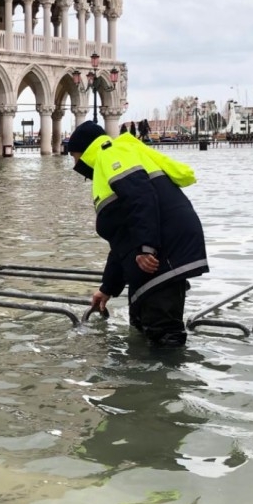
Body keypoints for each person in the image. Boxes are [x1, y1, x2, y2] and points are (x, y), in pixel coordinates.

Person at [67, 121, 209, 348]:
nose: (75, 164)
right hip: (157, 252)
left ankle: (166, 379)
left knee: (163, 334)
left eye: (74, 157)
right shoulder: (111, 161)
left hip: (162, 253)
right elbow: (122, 240)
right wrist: (107, 289)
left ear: (83, 151)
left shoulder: (110, 155)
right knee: (142, 325)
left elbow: (141, 197)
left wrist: (146, 248)